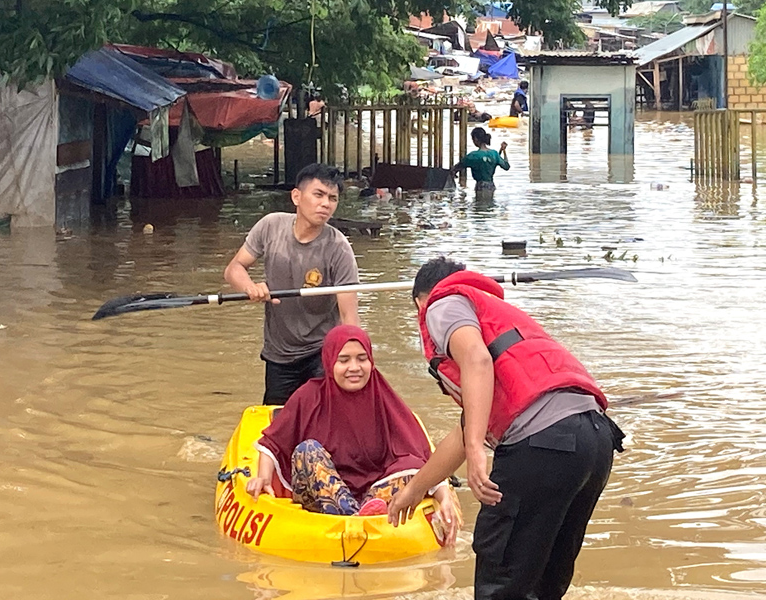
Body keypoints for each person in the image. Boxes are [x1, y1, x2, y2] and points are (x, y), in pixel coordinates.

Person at [388, 257, 626, 600]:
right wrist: (415, 490)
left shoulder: (441, 304)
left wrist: (476, 453)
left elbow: (478, 361)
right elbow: (467, 427)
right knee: (543, 584)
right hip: (594, 442)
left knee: (501, 583)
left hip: (543, 445)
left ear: (418, 303)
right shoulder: (494, 315)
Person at [246, 325, 460, 542]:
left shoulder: (384, 399)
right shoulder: (308, 396)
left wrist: (444, 498)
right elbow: (272, 443)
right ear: (330, 362)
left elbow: (421, 456)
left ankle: (362, 514)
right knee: (307, 450)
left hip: (373, 495)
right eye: (344, 360)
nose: (354, 367)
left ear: (371, 362)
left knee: (410, 468)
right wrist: (262, 478)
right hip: (320, 496)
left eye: (361, 358)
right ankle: (354, 517)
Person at [224, 164, 359, 406]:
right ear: (296, 196)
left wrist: (353, 362)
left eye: (332, 198)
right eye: (318, 195)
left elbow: (349, 317)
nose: (326, 204)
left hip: (321, 351)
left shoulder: (339, 248)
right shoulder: (270, 226)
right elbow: (234, 269)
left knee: (322, 422)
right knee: (277, 425)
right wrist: (250, 287)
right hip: (279, 354)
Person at [451, 127, 510, 193]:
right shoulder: (494, 153)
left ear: (475, 139)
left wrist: (453, 172)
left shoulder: (473, 156)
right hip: (491, 186)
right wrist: (504, 150)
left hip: (480, 186)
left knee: (480, 202)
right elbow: (506, 166)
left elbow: (458, 167)